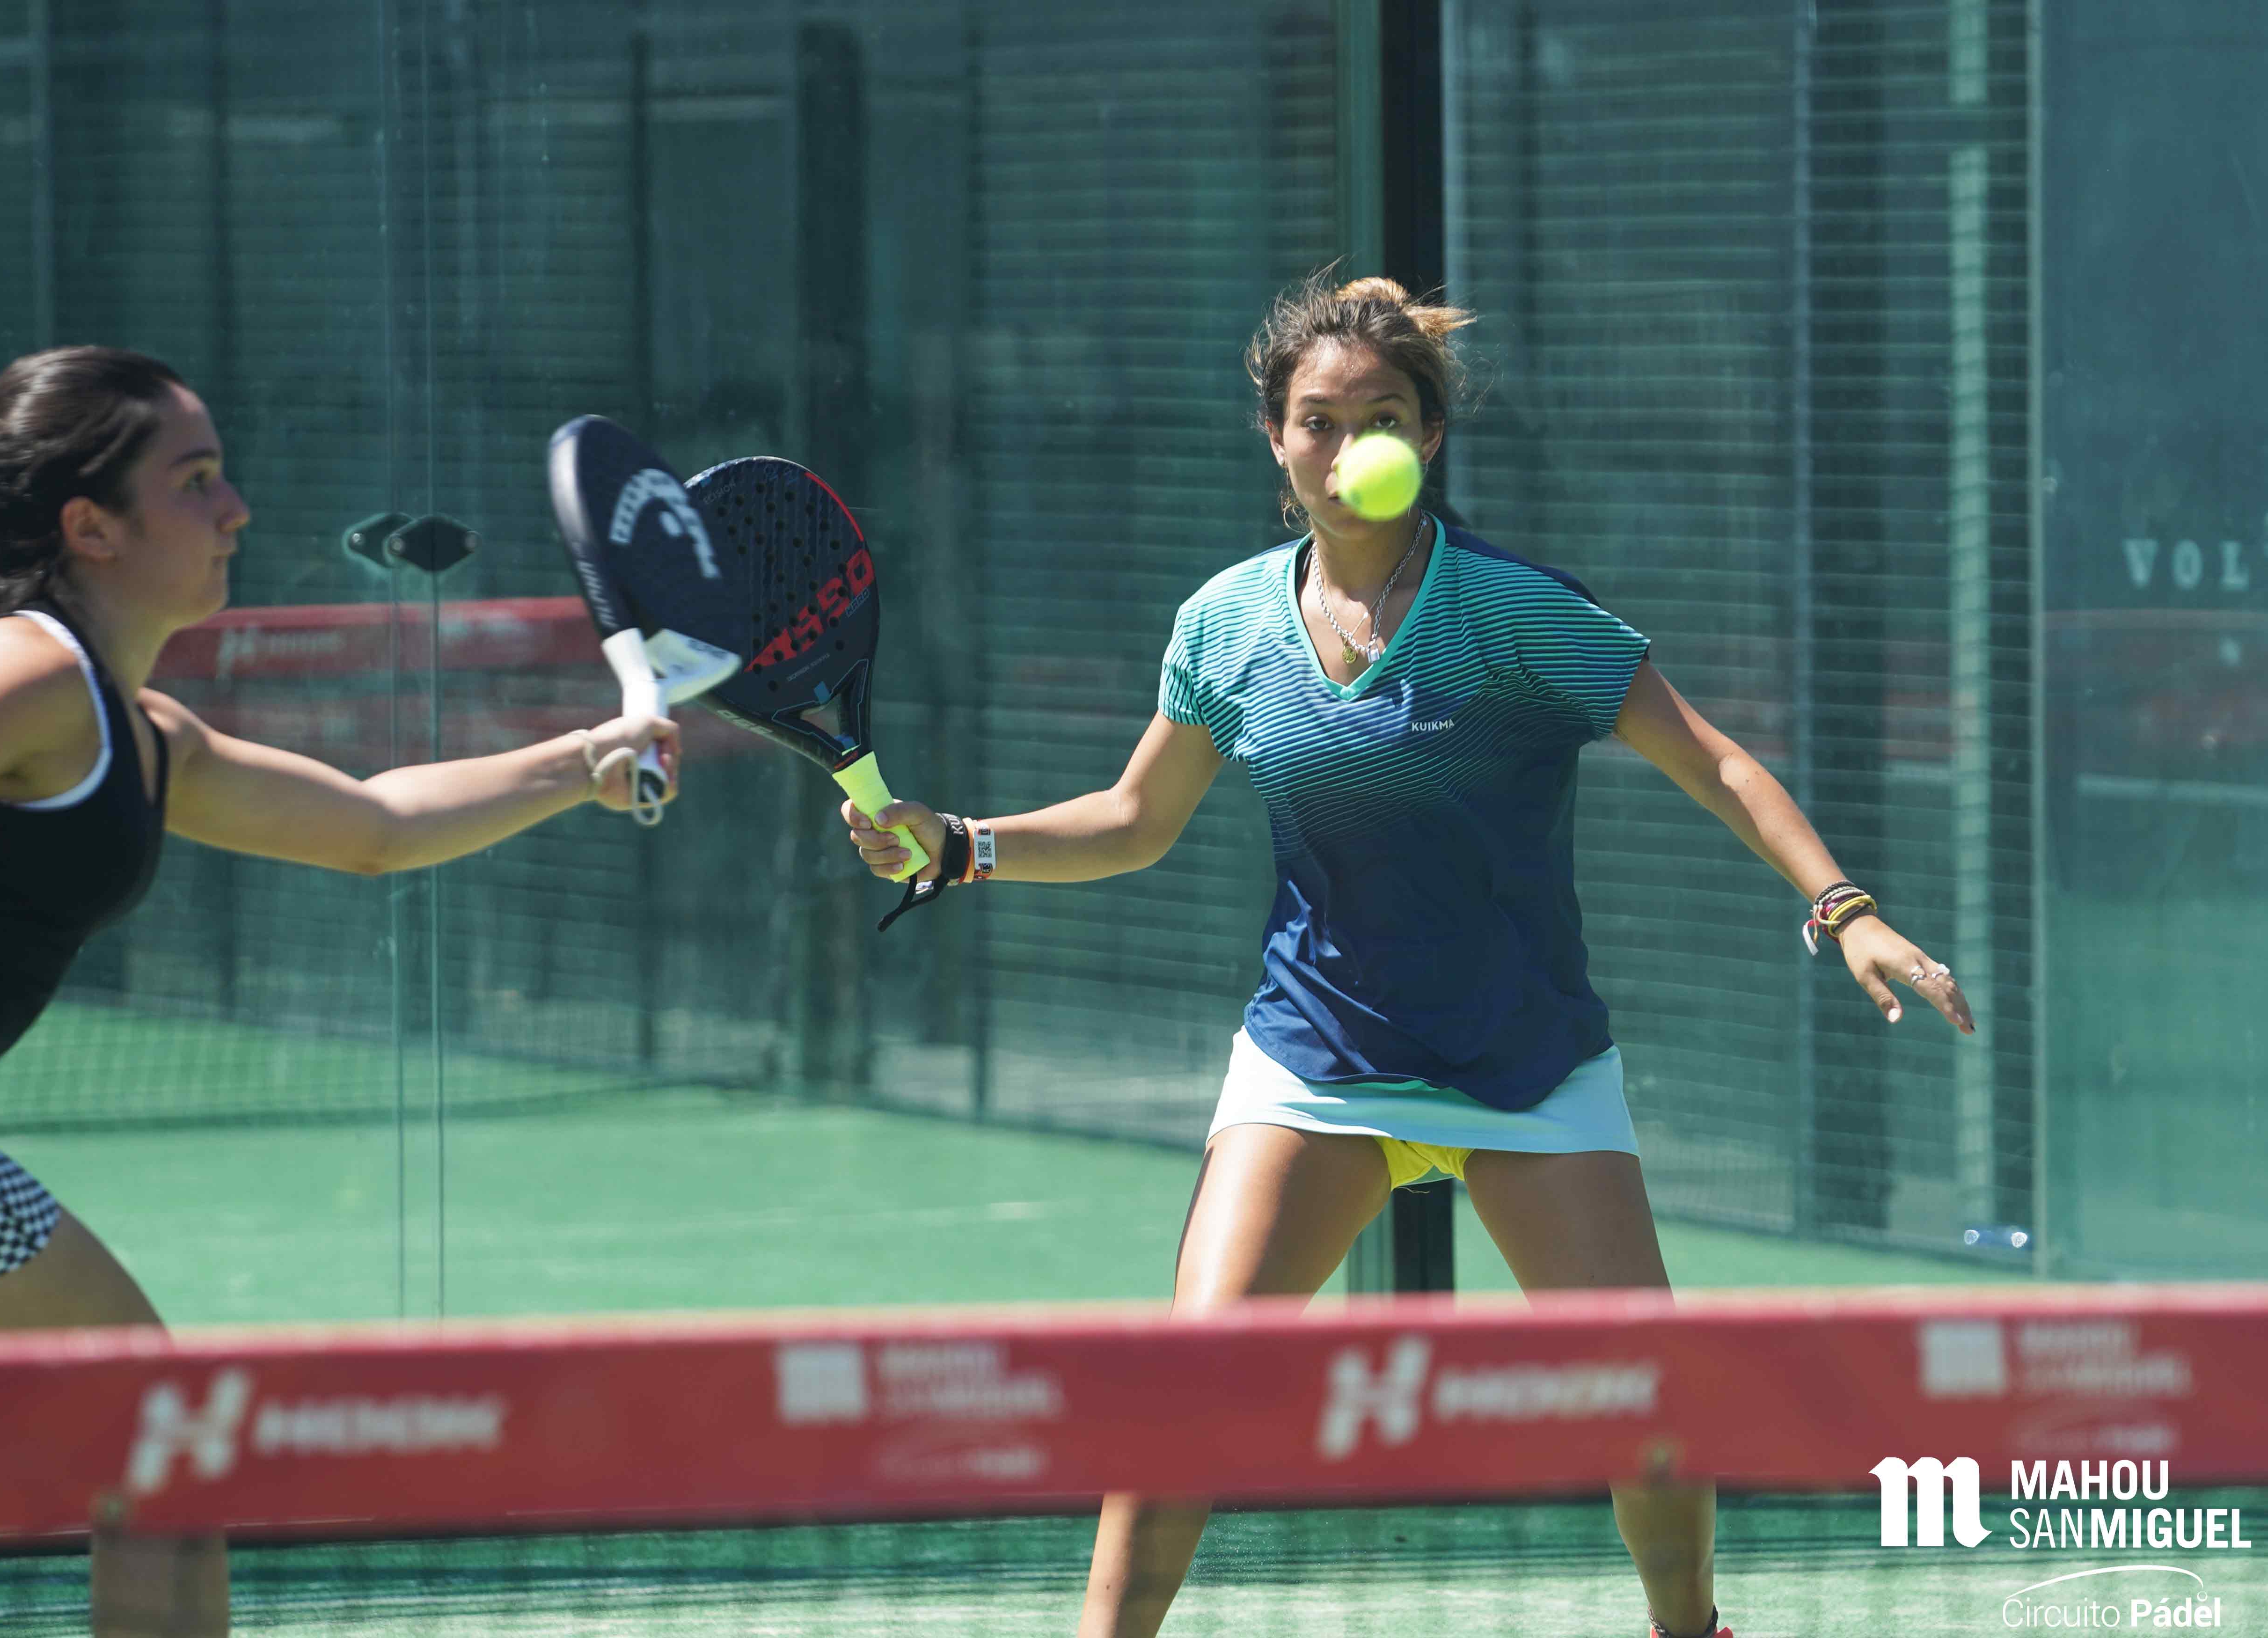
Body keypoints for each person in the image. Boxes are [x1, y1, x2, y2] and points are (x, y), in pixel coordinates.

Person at [842, 276, 1975, 1638]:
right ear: (1276, 437)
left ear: (1428, 436)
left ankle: (1692, 1629)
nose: (1346, 447)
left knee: (1651, 1404)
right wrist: (963, 844)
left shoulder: (1514, 612)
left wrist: (1847, 908)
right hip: (1317, 1056)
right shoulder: (1226, 625)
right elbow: (1136, 820)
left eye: (1380, 417)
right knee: (1186, 1388)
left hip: (1525, 1062)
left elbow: (1717, 761)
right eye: (1317, 420)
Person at [0, 346, 677, 1638]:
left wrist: (586, 761)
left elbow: (375, 825)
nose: (235, 508)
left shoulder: (140, 732)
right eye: (194, 482)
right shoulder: (27, 666)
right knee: (163, 1435)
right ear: (91, 527)